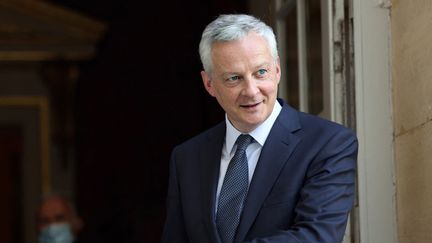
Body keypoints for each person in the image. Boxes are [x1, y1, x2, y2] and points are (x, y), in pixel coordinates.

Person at [162, 14, 358, 243]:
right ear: (209, 84)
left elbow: (317, 236)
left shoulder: (328, 143)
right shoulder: (187, 158)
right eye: (234, 78)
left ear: (277, 70)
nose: (251, 90)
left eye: (260, 73)